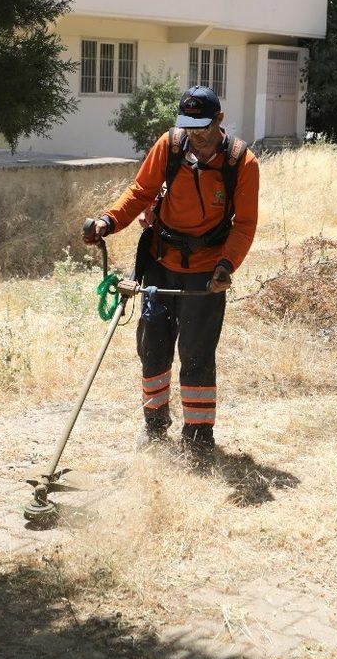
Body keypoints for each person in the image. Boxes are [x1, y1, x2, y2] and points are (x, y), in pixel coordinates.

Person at [83, 85, 259, 454]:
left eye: (203, 127)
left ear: (220, 121)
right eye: (189, 125)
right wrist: (108, 221)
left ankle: (197, 439)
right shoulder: (171, 146)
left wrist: (226, 267)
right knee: (153, 349)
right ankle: (155, 427)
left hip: (206, 273)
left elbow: (243, 225)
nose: (196, 134)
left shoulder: (242, 163)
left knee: (196, 355)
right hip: (160, 264)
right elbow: (141, 191)